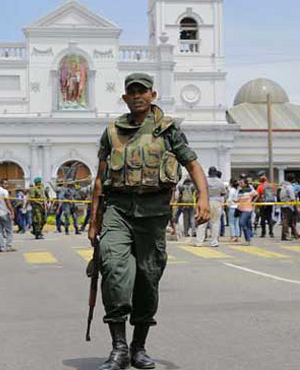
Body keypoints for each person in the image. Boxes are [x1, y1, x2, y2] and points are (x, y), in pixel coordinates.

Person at [88, 73, 210, 370]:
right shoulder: (112, 132)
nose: (138, 96)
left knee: (147, 278)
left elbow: (192, 164)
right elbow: (100, 181)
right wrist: (94, 222)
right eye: (132, 92)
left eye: (143, 91)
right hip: (118, 211)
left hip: (153, 214)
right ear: (125, 98)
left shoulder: (168, 130)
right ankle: (118, 348)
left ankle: (138, 347)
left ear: (152, 95)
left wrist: (203, 198)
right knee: (114, 270)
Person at [193, 166, 225, 247]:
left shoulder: (204, 181)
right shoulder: (220, 182)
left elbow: (198, 191)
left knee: (202, 222)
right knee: (215, 222)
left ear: (208, 172)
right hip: (217, 202)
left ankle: (199, 241)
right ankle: (214, 241)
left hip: (205, 201)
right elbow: (223, 193)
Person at [0, 179, 16, 252]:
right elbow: (7, 202)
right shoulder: (4, 192)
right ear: (1, 184)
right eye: (5, 184)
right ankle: (9, 246)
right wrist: (12, 212)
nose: (7, 185)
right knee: (9, 230)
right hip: (5, 213)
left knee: (0, 231)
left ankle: (1, 247)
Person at [279, 174, 300, 241]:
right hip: (289, 206)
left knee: (291, 221)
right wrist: (296, 206)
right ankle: (285, 236)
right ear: (293, 180)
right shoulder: (290, 187)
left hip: (283, 205)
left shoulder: (283, 186)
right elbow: (292, 198)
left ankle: (295, 234)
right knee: (287, 221)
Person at [237, 178, 257, 245]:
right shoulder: (240, 191)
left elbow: (256, 195)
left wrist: (253, 201)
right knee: (247, 224)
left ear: (245, 184)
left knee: (242, 223)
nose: (240, 184)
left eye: (242, 183)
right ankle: (247, 239)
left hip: (247, 209)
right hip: (241, 209)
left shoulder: (250, 190)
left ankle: (248, 238)